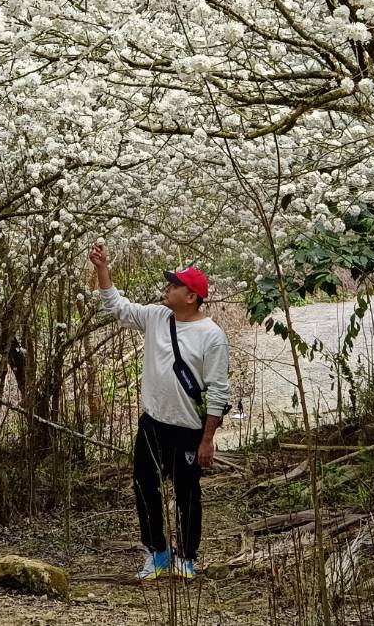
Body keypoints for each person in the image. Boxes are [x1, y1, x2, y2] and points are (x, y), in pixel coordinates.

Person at [89, 241, 231, 581]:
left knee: (187, 494)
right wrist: (102, 269)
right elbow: (119, 308)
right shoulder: (156, 318)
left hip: (187, 428)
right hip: (152, 424)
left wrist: (207, 439)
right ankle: (158, 553)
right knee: (144, 486)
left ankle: (187, 556)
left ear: (192, 296)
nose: (166, 288)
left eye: (174, 285)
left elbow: (218, 390)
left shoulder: (211, 336)